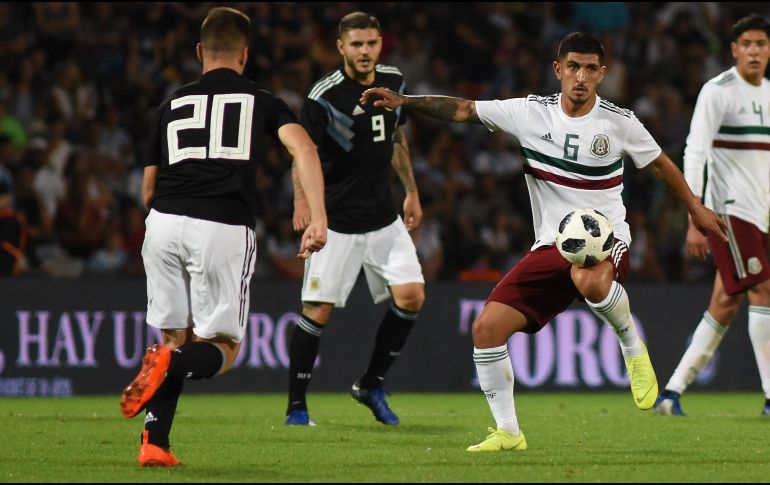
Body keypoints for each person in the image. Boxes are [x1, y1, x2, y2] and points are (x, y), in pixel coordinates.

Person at [361, 32, 728, 451]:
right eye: (573, 66)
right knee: (486, 329)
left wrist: (695, 211)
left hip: (607, 239)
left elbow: (662, 166)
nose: (581, 76)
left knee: (589, 280)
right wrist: (406, 102)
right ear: (558, 69)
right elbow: (462, 109)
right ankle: (509, 433)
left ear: (602, 74)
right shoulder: (529, 113)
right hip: (552, 244)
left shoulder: (618, 122)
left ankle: (631, 345)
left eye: (591, 69)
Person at [119, 7, 327, 467]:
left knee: (174, 336)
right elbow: (304, 149)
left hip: (162, 224)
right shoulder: (263, 100)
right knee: (223, 348)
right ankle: (167, 367)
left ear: (199, 52)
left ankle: (155, 443)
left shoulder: (169, 104)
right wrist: (318, 216)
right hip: (220, 225)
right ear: (245, 55)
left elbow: (147, 190)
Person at [285, 11, 425, 426]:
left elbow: (396, 137)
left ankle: (370, 383)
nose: (365, 52)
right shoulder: (323, 96)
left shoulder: (394, 82)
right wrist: (303, 206)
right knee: (317, 311)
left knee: (413, 296)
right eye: (357, 44)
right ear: (341, 47)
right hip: (337, 221)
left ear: (381, 44)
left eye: (372, 43)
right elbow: (301, 155)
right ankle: (296, 407)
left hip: (383, 217)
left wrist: (412, 191)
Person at [654, 14, 770, 417]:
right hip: (731, 211)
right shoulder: (717, 92)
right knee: (764, 290)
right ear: (734, 50)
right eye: (747, 44)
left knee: (724, 301)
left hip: (765, 212)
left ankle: (670, 394)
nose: (754, 51)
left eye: (761, 43)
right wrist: (695, 214)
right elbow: (696, 152)